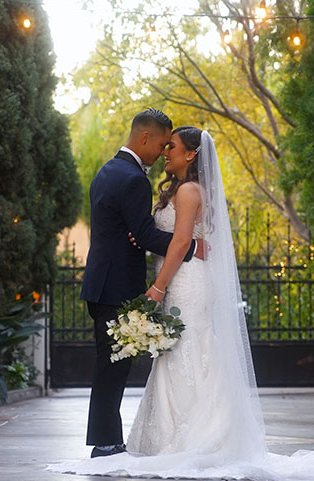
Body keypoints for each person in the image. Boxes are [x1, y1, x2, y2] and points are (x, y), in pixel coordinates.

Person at [53, 127, 314, 481]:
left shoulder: (188, 191)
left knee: (188, 348)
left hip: (185, 280)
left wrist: (157, 286)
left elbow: (179, 242)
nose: (165, 152)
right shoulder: (167, 188)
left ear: (191, 154)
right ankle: (157, 437)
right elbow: (156, 235)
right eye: (164, 145)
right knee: (178, 352)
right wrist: (149, 244)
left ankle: (195, 437)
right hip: (178, 277)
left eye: (171, 147)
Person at [79, 109, 203, 459]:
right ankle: (106, 444)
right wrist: (192, 247)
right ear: (145, 137)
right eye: (162, 144)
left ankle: (107, 440)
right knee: (112, 365)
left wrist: (139, 235)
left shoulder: (108, 170)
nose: (163, 152)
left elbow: (133, 231)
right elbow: (146, 235)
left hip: (102, 282)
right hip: (115, 285)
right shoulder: (133, 178)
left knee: (111, 363)